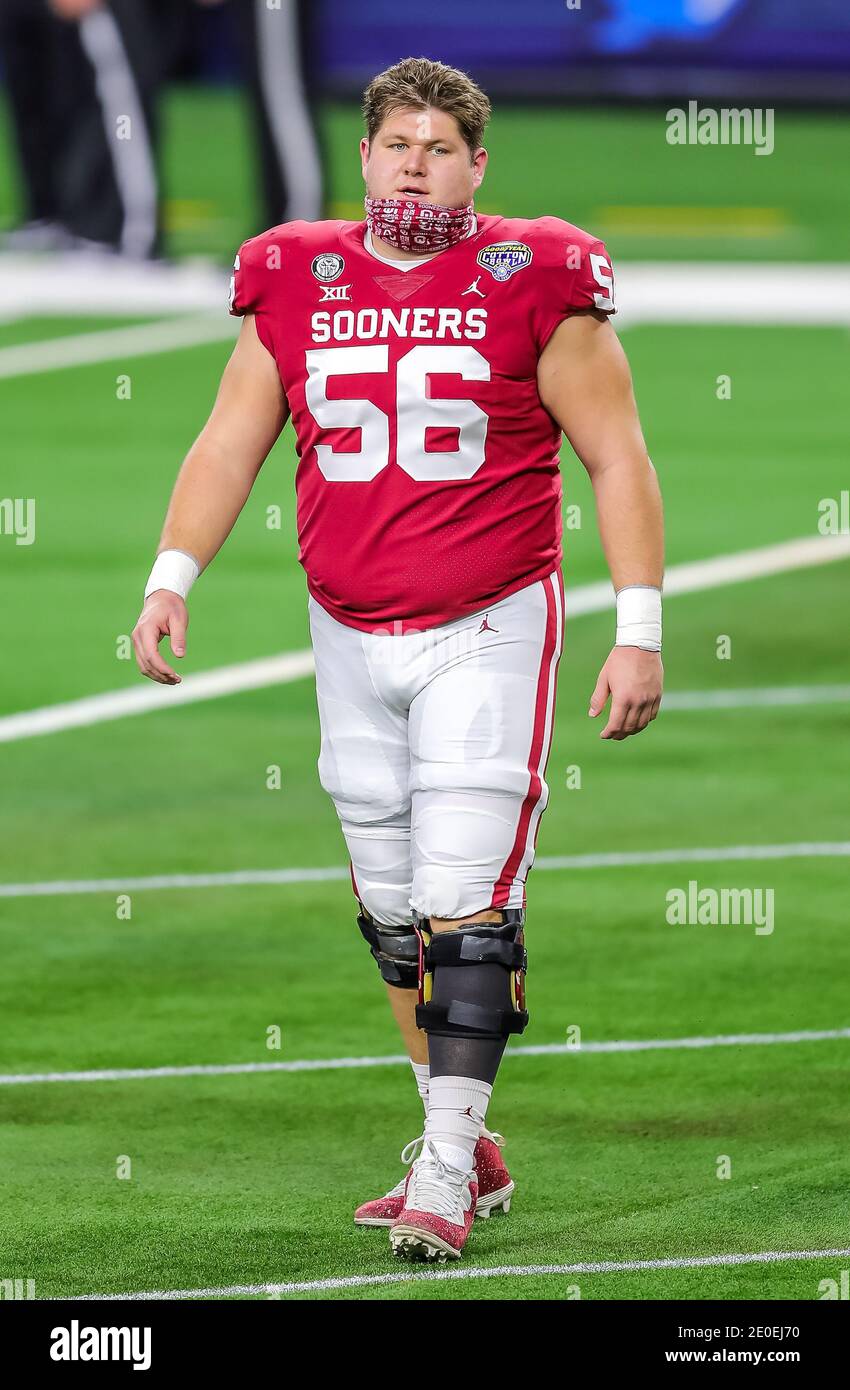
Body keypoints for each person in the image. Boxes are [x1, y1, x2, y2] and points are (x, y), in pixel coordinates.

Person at [132, 56, 664, 1264]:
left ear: (478, 164)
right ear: (364, 156)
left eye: (438, 147)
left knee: (463, 911)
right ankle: (458, 1139)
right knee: (391, 917)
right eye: (395, 144)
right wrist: (172, 577)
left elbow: (617, 457)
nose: (413, 164)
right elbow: (230, 441)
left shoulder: (535, 273)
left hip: (487, 618)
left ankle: (442, 1164)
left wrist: (639, 629)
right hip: (345, 624)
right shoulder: (295, 274)